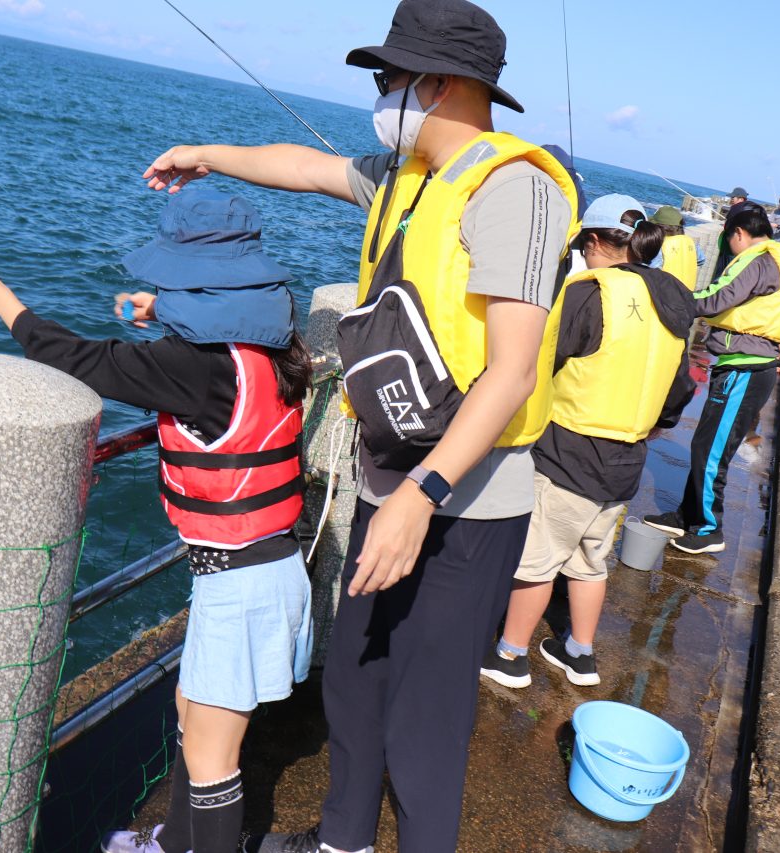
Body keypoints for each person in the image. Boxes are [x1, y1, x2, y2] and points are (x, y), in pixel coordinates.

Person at [141, 2, 578, 850]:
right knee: (356, 677)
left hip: (464, 501)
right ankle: (342, 839)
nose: (380, 94)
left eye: (388, 78)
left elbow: (513, 369)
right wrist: (203, 153)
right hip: (393, 474)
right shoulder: (407, 174)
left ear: (440, 83)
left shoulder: (515, 189)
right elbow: (302, 167)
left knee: (426, 720)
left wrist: (423, 493)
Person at [0, 190, 315, 853]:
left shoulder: (194, 368)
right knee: (193, 720)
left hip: (239, 586)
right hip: (262, 568)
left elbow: (82, 360)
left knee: (212, 758)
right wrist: (168, 311)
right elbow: (218, 369)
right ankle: (174, 843)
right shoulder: (275, 350)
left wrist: (2, 300)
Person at [479, 195, 694, 690]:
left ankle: (511, 655)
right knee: (591, 560)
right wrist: (658, 422)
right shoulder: (672, 300)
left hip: (570, 451)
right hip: (628, 459)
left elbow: (538, 361)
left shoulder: (587, 293)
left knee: (540, 559)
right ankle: (580, 652)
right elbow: (681, 384)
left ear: (593, 241)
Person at [644, 205, 780, 554]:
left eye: (730, 239)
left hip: (746, 370)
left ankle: (709, 528)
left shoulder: (757, 259)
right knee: (705, 444)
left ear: (739, 233)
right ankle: (687, 516)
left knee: (712, 451)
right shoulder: (775, 257)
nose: (730, 247)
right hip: (741, 364)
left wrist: (671, 298)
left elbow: (717, 297)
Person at [649, 204, 707, 289]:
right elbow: (702, 260)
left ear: (659, 228)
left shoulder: (661, 247)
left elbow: (649, 271)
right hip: (687, 296)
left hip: (664, 298)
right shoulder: (691, 244)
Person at [709, 186, 754, 284]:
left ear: (741, 198)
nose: (731, 200)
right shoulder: (748, 210)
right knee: (729, 275)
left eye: (733, 198)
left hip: (730, 249)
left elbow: (728, 227)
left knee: (721, 273)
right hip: (739, 249)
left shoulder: (736, 209)